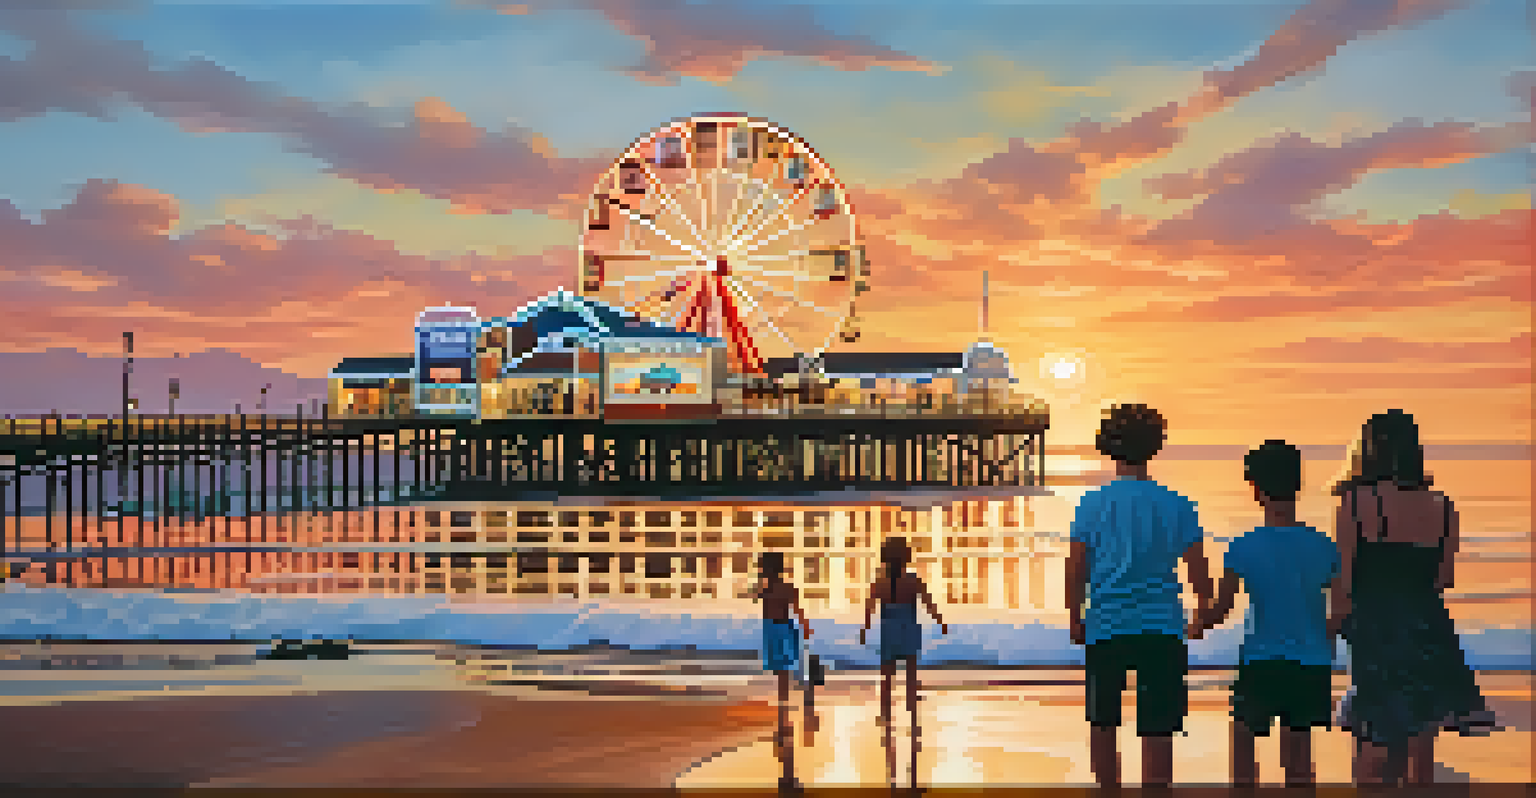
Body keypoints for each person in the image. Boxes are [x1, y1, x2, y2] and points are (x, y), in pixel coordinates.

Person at [1329, 410, 1496, 785]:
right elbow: (1443, 579)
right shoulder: (1443, 506)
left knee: (1374, 737)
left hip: (1377, 629)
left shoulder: (1357, 503)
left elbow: (1343, 581)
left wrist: (1330, 630)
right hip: (1428, 626)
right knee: (1422, 739)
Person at [1065, 403, 1213, 788]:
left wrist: (1074, 616)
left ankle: (1108, 790)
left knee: (1103, 721)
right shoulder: (1177, 503)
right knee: (1158, 726)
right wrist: (1202, 612)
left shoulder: (1092, 504)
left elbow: (1077, 566)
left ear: (1109, 447)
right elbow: (1198, 570)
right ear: (1155, 446)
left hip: (1108, 623)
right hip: (1161, 625)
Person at [1197, 440, 1339, 786]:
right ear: (1298, 486)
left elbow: (1222, 609)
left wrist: (1194, 623)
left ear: (1256, 490)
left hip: (1262, 660)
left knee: (1244, 739)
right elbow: (1343, 605)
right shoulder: (1324, 545)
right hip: (1311, 661)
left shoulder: (1243, 546)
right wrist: (1326, 639)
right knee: (1299, 753)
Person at [752, 551, 812, 792]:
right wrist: (805, 625)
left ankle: (782, 709)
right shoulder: (786, 588)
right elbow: (796, 609)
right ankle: (784, 707)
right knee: (784, 669)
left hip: (771, 629)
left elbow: (758, 598)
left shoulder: (766, 589)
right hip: (783, 627)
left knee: (780, 670)